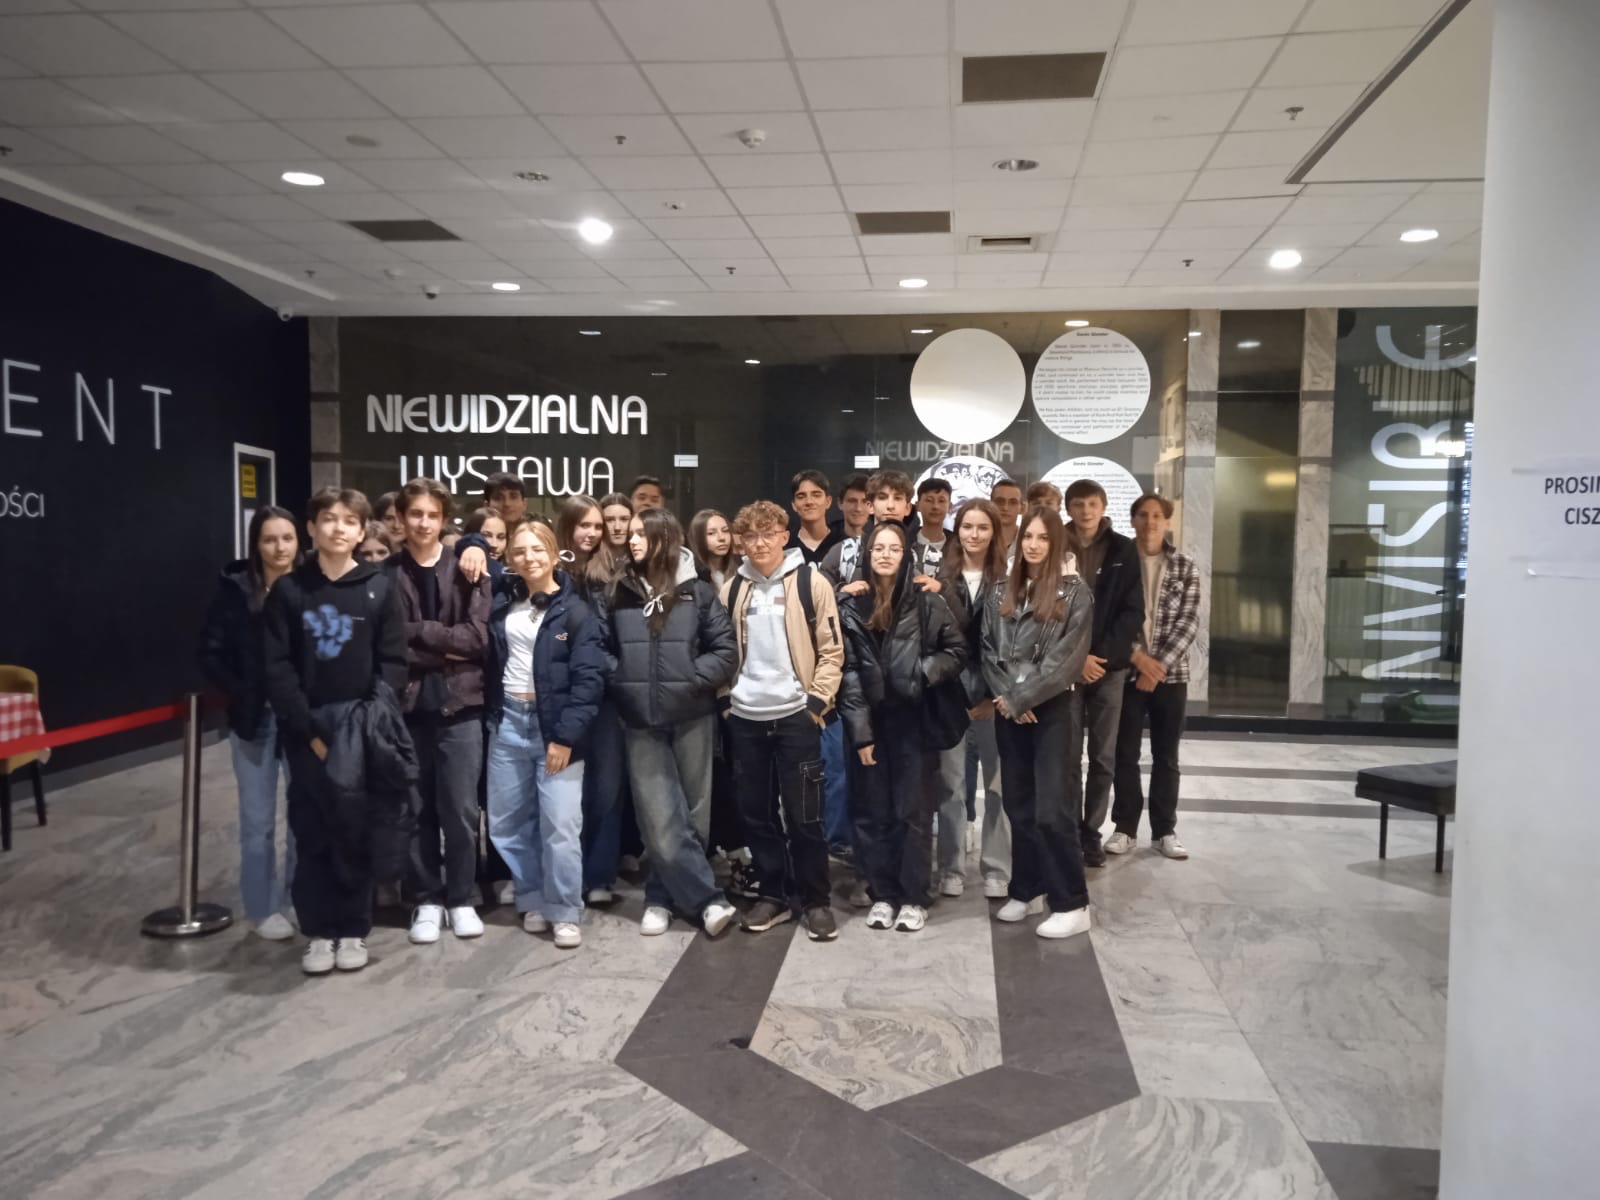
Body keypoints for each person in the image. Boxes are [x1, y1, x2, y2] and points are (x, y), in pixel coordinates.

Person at [263, 487, 412, 975]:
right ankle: (318, 933)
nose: (339, 528)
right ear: (312, 527)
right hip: (307, 728)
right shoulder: (290, 590)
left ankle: (352, 928)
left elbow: (393, 662)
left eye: (350, 520)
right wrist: (308, 729)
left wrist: (368, 723)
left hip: (361, 728)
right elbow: (278, 666)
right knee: (311, 830)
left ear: (362, 530)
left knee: (354, 829)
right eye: (329, 519)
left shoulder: (379, 587)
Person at [607, 507, 739, 937]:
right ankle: (709, 900)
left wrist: (689, 682)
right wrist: (622, 680)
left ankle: (660, 897)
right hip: (640, 720)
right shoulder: (619, 590)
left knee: (695, 815)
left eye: (641, 533)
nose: (632, 540)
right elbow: (601, 649)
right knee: (659, 819)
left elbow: (725, 651)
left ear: (664, 538)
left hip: (692, 716)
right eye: (630, 534)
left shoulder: (697, 592)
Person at [720, 500, 845, 940]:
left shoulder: (811, 582)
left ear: (784, 536)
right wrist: (727, 702)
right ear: (741, 542)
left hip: (796, 716)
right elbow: (720, 651)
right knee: (756, 814)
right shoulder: (732, 589)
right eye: (750, 536)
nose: (759, 543)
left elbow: (832, 649)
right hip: (746, 718)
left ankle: (816, 900)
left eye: (768, 534)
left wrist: (816, 702)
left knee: (805, 815)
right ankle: (773, 894)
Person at [837, 521, 965, 933]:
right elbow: (848, 674)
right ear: (867, 554)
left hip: (914, 721)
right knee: (872, 811)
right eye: (878, 548)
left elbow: (956, 650)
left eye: (894, 548)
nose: (885, 555)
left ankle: (913, 897)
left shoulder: (926, 602)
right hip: (871, 721)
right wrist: (860, 733)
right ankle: (883, 893)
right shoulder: (853, 606)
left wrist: (921, 672)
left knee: (913, 811)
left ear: (906, 555)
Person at [485, 521, 606, 949]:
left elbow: (589, 681)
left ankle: (565, 908)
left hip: (554, 728)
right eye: (519, 551)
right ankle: (532, 894)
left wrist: (565, 738)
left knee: (561, 825)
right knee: (506, 823)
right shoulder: (502, 602)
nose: (529, 558)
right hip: (507, 723)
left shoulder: (576, 611)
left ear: (555, 554)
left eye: (537, 549)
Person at [981, 506, 1094, 939]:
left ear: (1056, 543)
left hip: (1053, 711)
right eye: (1028, 536)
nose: (1033, 545)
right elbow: (987, 649)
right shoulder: (999, 590)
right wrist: (1009, 698)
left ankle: (1071, 902)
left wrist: (1021, 697)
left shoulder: (1075, 593)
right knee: (1019, 806)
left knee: (1053, 810)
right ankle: (1027, 890)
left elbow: (1066, 662)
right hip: (1010, 709)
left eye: (1044, 538)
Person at [390, 478, 491, 945]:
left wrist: (419, 632)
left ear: (444, 518)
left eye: (433, 514)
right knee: (416, 809)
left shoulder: (468, 567)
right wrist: (443, 644)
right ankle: (427, 899)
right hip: (408, 708)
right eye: (416, 513)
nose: (424, 522)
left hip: (461, 706)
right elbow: (389, 646)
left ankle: (462, 897)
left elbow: (477, 640)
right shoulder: (385, 575)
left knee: (462, 810)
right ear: (401, 518)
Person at [200, 505, 300, 941]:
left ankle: (298, 896)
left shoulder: (310, 586)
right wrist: (241, 691)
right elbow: (210, 652)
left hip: (301, 719)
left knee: (304, 817)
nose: (279, 547)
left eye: (287, 538)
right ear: (256, 544)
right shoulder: (236, 592)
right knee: (257, 822)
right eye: (269, 539)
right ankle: (261, 908)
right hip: (254, 720)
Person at [1109, 493, 1200, 862]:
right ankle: (1125, 828)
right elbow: (1111, 617)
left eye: (1157, 516)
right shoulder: (1119, 562)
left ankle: (1164, 830)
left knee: (1166, 755)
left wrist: (1157, 666)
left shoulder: (1184, 566)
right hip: (1126, 672)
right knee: (1124, 754)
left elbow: (1189, 622)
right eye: (1143, 515)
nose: (1150, 522)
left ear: (1167, 521)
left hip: (1170, 676)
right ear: (1132, 520)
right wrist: (1138, 659)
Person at [1062, 479, 1145, 868]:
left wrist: (1099, 657)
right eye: (1078, 504)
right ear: (1068, 508)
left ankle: (1090, 832)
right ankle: (1067, 831)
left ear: (1104, 506)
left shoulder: (1123, 549)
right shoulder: (1055, 545)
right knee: (1066, 756)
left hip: (1108, 670)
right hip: (1064, 668)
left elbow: (1133, 611)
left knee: (1103, 756)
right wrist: (1074, 658)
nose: (1085, 511)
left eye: (1092, 504)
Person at [933, 498, 1012, 900]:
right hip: (950, 697)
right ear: (957, 531)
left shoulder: (1010, 580)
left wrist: (995, 696)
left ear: (994, 532)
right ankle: (950, 867)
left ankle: (996, 867)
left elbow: (1012, 646)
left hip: (994, 699)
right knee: (950, 787)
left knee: (997, 787)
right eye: (967, 526)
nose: (974, 534)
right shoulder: (940, 580)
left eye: (983, 527)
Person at [551, 494, 628, 905]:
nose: (594, 533)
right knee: (564, 792)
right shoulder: (551, 570)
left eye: (597, 526)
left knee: (606, 788)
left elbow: (616, 636)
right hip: (560, 694)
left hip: (606, 694)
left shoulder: (611, 573)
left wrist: (611, 672)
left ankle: (599, 874)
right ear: (567, 526)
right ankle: (566, 874)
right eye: (585, 525)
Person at [790, 469, 841, 565]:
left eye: (816, 495)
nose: (809, 501)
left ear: (828, 501)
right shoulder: (785, 545)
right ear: (794, 505)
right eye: (801, 497)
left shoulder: (844, 544)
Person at [911, 477, 952, 574]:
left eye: (941, 501)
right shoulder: (905, 541)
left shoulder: (958, 545)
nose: (935, 506)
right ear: (917, 505)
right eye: (929, 500)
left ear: (950, 507)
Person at [689, 508, 737, 589]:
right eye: (711, 533)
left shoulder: (740, 573)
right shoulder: (692, 577)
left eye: (725, 531)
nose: (721, 538)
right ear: (698, 538)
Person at [990, 478, 1023, 560]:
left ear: (1021, 508)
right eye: (1000, 501)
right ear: (990, 504)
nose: (1005, 508)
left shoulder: (1029, 541)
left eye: (1013, 502)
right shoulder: (979, 539)